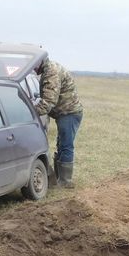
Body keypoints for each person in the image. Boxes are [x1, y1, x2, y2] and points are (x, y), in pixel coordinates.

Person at [34, 56, 83, 187]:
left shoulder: (51, 72)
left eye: (33, 66)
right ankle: (58, 178)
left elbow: (49, 101)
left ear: (39, 62)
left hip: (69, 112)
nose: (33, 69)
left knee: (66, 145)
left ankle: (65, 181)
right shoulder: (48, 69)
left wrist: (31, 111)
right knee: (61, 144)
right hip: (64, 112)